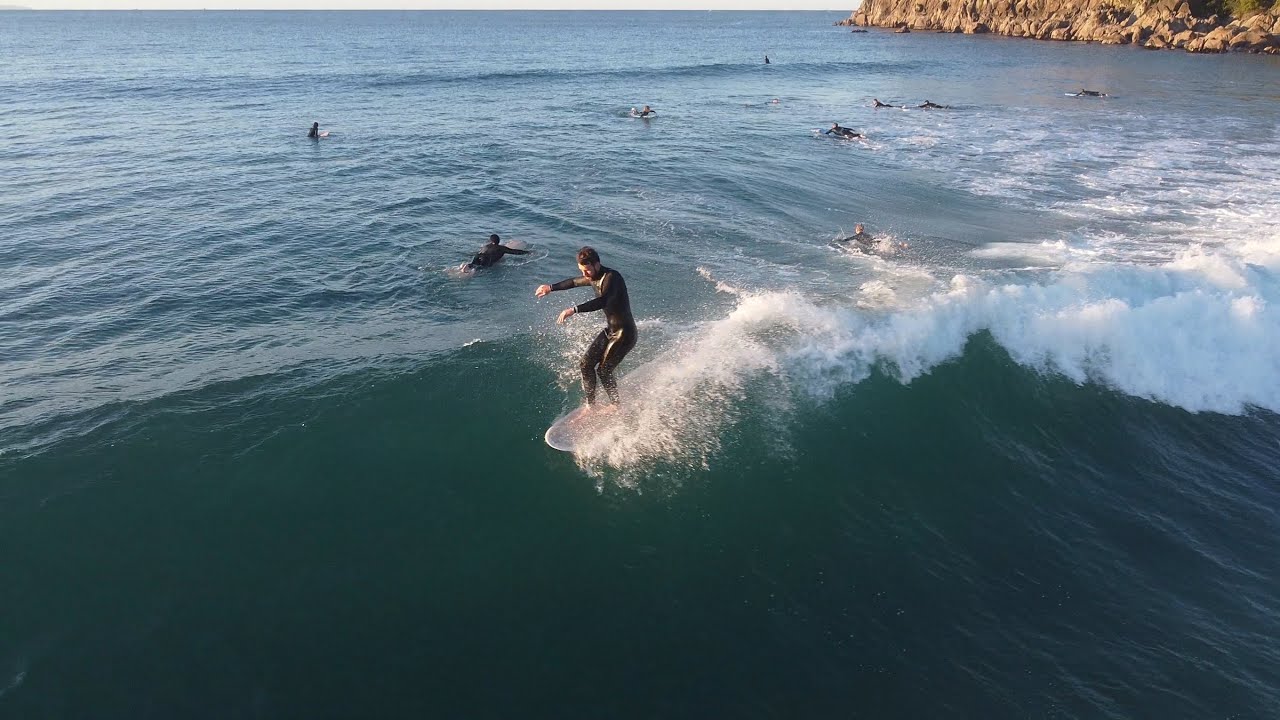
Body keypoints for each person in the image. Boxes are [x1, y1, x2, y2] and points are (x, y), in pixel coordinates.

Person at [535, 247, 637, 407]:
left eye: (587, 270)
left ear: (597, 264)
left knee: (603, 370)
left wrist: (573, 310)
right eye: (582, 270)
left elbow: (603, 301)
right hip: (611, 330)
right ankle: (591, 405)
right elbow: (573, 282)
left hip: (625, 333)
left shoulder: (612, 277)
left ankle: (616, 405)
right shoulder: (593, 276)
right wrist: (550, 287)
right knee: (585, 364)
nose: (585, 274)